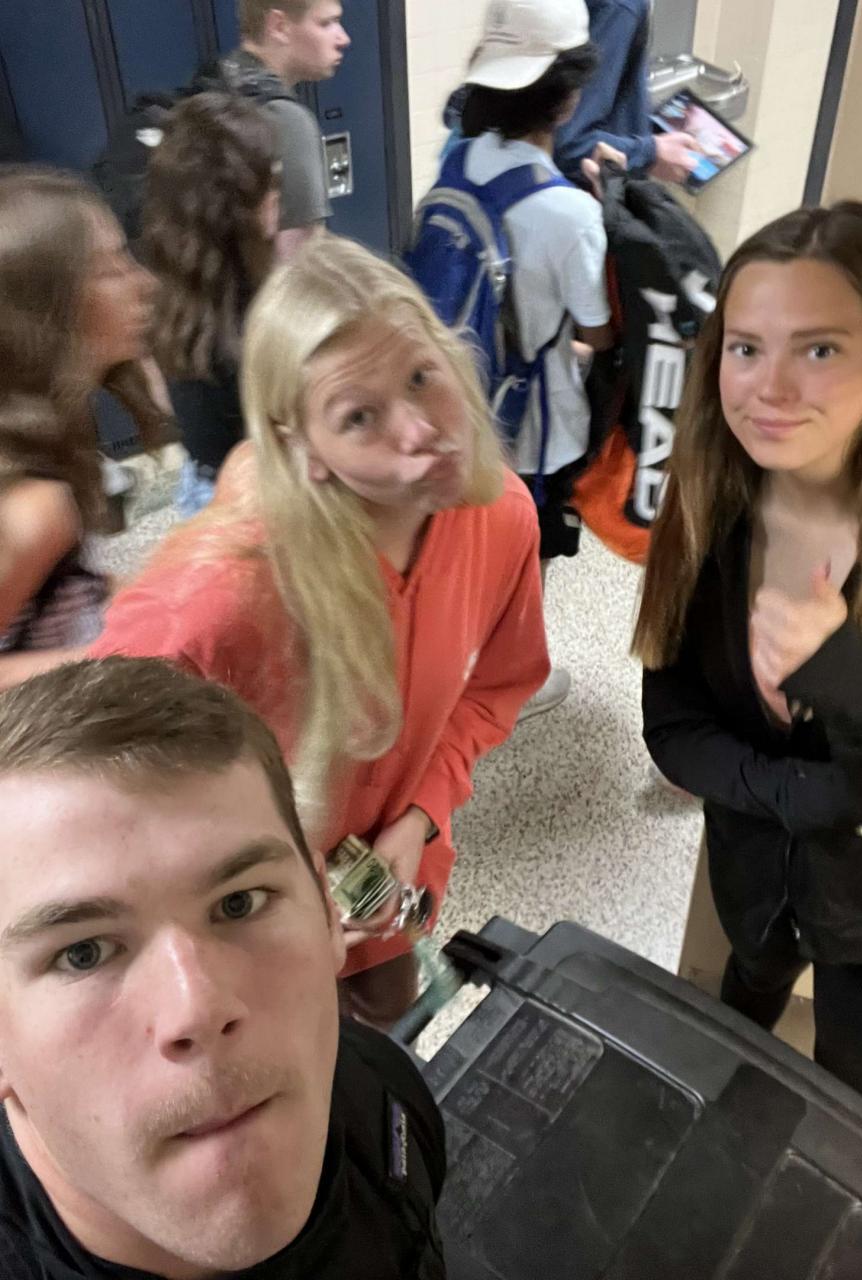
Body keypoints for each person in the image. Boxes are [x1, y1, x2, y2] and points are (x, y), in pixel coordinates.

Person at [90, 234, 549, 1024]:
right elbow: (95, 807)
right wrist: (260, 899)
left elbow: (493, 691)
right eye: (360, 416)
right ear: (303, 450)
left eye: (421, 377)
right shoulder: (214, 602)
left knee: (386, 1028)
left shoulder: (499, 515)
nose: (421, 430)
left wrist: (420, 816)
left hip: (383, 889)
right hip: (240, 934)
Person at [635, 200, 862, 1103]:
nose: (770, 388)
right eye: (746, 347)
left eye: (818, 349)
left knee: (848, 1061)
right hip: (757, 876)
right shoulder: (706, 502)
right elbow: (674, 728)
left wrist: (847, 680)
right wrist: (802, 796)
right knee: (750, 982)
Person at [0, 656, 446, 1276]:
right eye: (84, 953)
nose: (199, 1009)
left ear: (326, 914)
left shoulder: (383, 1101)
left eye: (241, 903)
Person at [458, 0, 616, 717]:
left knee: (471, 533)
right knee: (528, 543)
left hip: (463, 394)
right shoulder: (568, 212)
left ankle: (462, 652)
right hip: (532, 419)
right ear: (568, 97)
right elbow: (597, 333)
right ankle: (513, 676)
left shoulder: (460, 162)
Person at [0, 168, 164, 691]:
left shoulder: (57, 442)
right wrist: (119, 656)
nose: (145, 284)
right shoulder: (33, 510)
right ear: (46, 309)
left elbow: (71, 591)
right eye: (112, 267)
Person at [142, 91, 280, 516]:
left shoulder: (166, 291)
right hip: (257, 500)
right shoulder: (262, 322)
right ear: (236, 208)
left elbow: (163, 397)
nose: (278, 194)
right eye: (271, 180)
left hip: (200, 484)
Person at [442, 0, 700, 189]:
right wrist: (650, 153)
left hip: (479, 171)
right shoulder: (619, 8)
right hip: (551, 197)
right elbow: (569, 142)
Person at [221, 0, 350, 259]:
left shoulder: (215, 87)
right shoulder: (286, 120)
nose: (343, 39)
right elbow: (299, 265)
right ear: (279, 26)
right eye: (326, 23)